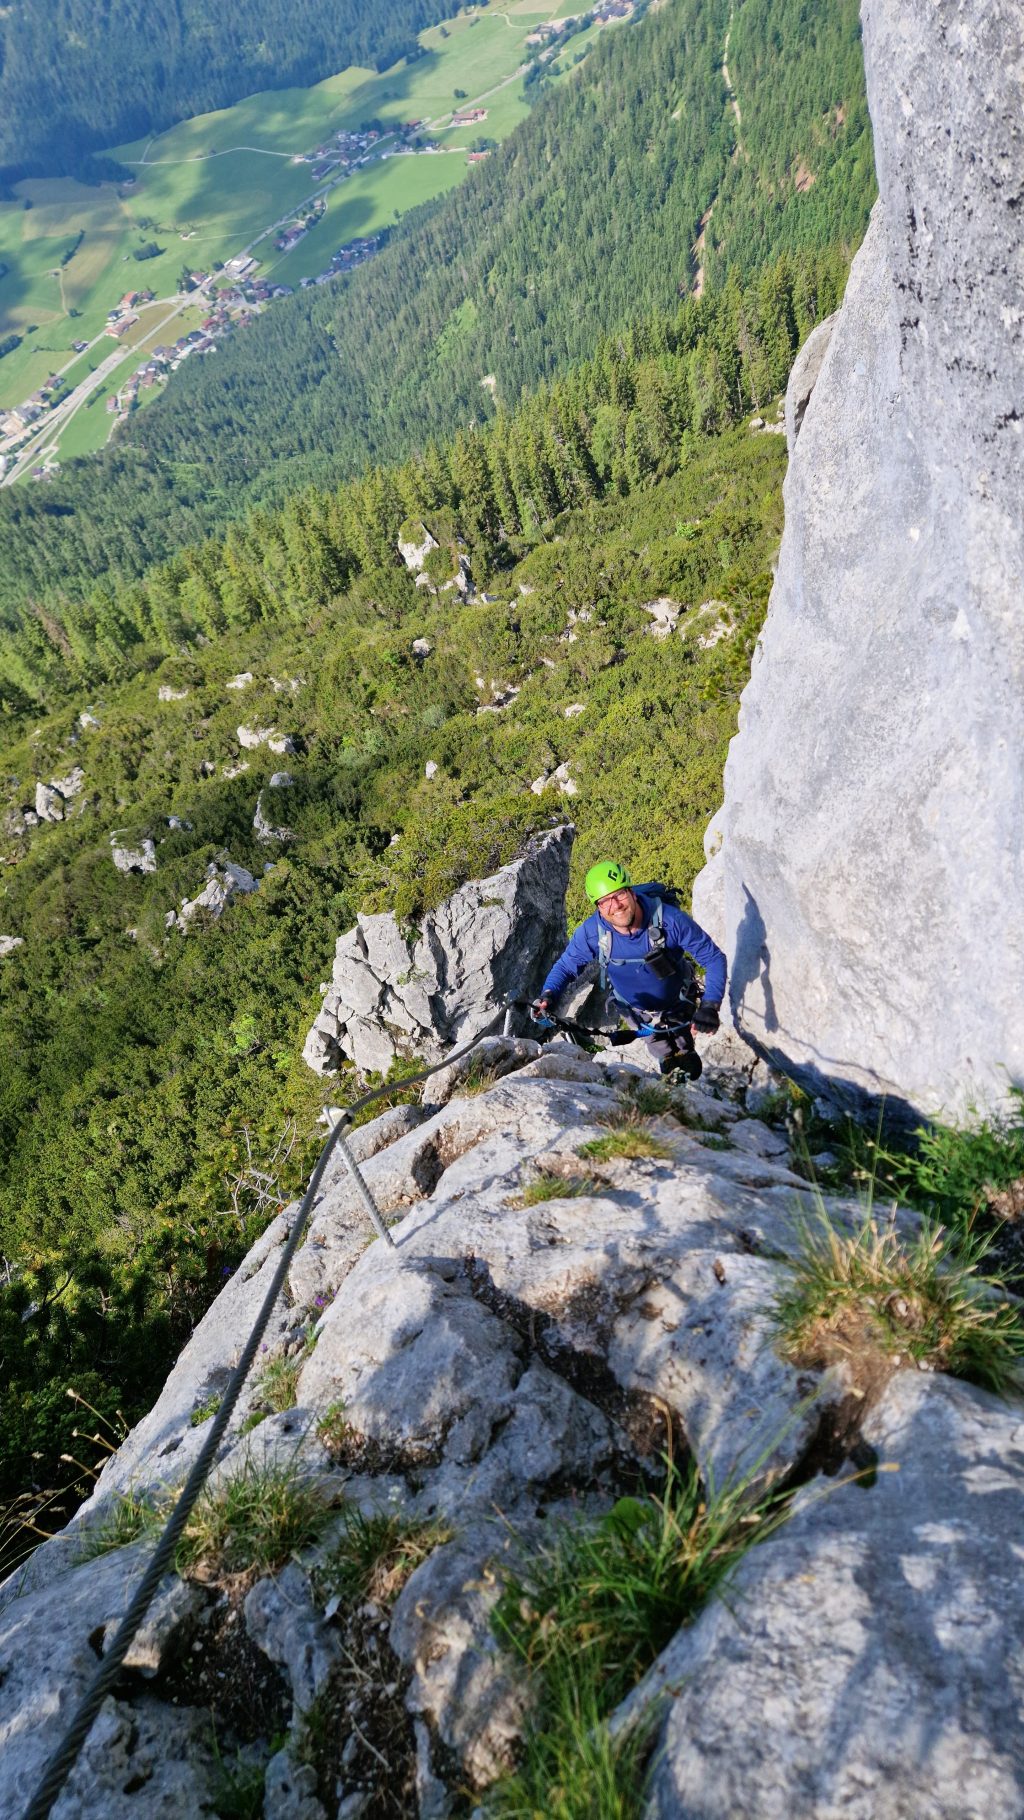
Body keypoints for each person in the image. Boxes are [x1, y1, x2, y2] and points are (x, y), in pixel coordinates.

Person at [535, 860, 726, 1078]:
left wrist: (710, 1005)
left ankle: (685, 1055)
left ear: (632, 892)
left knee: (685, 1047)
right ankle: (667, 1060)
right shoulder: (592, 933)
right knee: (660, 1049)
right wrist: (548, 994)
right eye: (605, 901)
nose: (615, 905)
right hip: (636, 1012)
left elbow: (713, 958)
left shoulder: (670, 921)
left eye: (619, 895)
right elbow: (566, 967)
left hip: (679, 1001)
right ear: (598, 907)